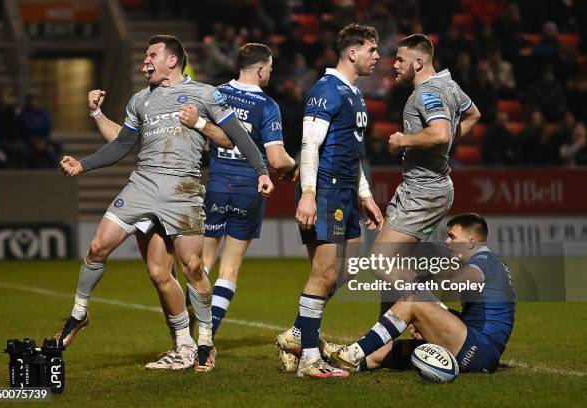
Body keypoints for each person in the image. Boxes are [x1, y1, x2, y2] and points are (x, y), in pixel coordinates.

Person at [54, 35, 274, 372]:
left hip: (182, 190)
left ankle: (200, 344)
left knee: (186, 269)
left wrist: (260, 170)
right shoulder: (139, 100)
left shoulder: (205, 94)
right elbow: (124, 144)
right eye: (145, 55)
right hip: (142, 184)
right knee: (98, 246)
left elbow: (237, 135)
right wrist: (83, 164)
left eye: (152, 55)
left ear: (172, 60)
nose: (145, 61)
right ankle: (79, 314)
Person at [276, 23, 384, 379]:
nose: (377, 56)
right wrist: (308, 195)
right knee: (323, 274)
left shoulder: (353, 93)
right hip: (323, 191)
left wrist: (365, 195)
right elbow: (309, 145)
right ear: (353, 53)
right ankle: (309, 359)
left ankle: (296, 334)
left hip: (345, 193)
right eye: (372, 49)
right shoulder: (325, 90)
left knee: (349, 269)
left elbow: (351, 153)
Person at [371, 34, 480, 319]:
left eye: (400, 60)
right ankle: (383, 343)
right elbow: (473, 115)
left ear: (418, 62)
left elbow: (441, 133)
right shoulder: (450, 85)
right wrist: (442, 145)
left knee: (380, 261)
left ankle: (444, 319)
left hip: (424, 190)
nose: (393, 65)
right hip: (426, 187)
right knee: (394, 264)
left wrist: (403, 141)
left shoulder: (427, 92)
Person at [330, 213, 517, 375]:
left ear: (471, 242)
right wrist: (431, 320)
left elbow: (463, 280)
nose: (447, 241)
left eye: (452, 237)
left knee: (413, 301)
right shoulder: (491, 262)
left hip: (478, 349)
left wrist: (427, 280)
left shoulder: (486, 260)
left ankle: (352, 353)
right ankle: (336, 361)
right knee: (381, 354)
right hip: (474, 346)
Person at [202, 43, 297, 338]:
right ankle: (207, 336)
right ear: (259, 69)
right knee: (229, 270)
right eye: (269, 68)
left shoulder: (215, 94)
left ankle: (185, 333)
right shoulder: (267, 105)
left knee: (202, 264)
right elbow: (276, 160)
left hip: (217, 183)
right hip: (248, 187)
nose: (271, 73)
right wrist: (294, 165)